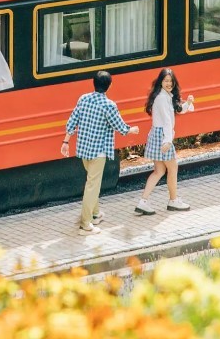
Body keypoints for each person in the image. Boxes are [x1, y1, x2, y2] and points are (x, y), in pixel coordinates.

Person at [61, 71, 139, 235]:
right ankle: (85, 225)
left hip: (83, 150)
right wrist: (132, 130)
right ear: (109, 85)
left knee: (91, 183)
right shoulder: (108, 105)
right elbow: (119, 126)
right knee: (92, 186)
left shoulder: (83, 99)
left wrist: (66, 141)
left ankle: (95, 214)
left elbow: (72, 121)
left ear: (93, 83)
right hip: (98, 152)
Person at [136, 68, 194, 215]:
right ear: (161, 82)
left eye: (171, 81)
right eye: (166, 81)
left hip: (158, 134)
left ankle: (143, 202)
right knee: (172, 168)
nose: (169, 83)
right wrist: (168, 141)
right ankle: (173, 200)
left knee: (159, 171)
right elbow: (167, 122)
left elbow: (178, 110)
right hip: (163, 136)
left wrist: (187, 103)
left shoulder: (166, 95)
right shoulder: (162, 98)